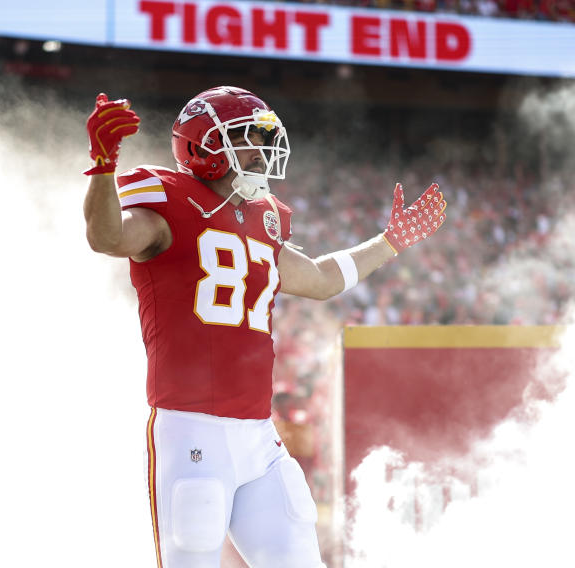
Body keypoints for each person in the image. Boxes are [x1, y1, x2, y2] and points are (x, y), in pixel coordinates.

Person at [82, 86, 446, 568]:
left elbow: (318, 278)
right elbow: (106, 237)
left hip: (258, 437)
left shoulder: (263, 218)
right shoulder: (166, 201)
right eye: (246, 138)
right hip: (191, 432)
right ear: (204, 146)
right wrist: (103, 169)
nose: (260, 152)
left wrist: (388, 242)